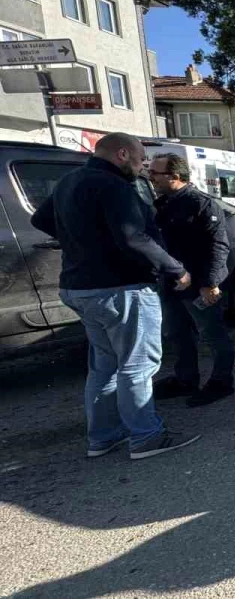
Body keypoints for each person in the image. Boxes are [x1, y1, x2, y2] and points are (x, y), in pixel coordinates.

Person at [29, 133, 201, 460]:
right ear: (122, 154)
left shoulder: (69, 181)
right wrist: (176, 269)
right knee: (137, 365)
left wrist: (82, 240)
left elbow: (40, 218)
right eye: (139, 160)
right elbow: (134, 238)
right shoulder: (114, 186)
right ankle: (146, 437)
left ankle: (104, 437)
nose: (141, 168)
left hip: (79, 288)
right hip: (121, 288)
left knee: (104, 366)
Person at [148, 153, 235, 407]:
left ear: (175, 176)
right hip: (172, 283)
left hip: (199, 285)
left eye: (155, 173)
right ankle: (186, 379)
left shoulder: (201, 204)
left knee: (212, 333)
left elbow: (219, 247)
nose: (150, 177)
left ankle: (221, 381)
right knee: (177, 334)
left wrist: (211, 283)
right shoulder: (162, 204)